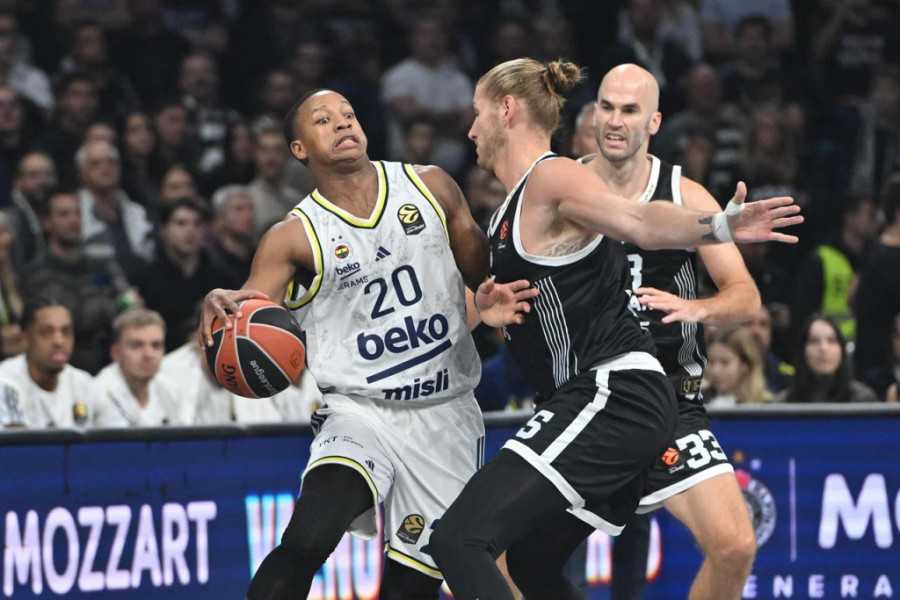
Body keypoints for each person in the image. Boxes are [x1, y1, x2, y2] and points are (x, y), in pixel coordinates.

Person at [427, 58, 801, 600]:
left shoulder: (555, 177)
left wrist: (718, 226)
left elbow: (641, 220)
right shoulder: (512, 209)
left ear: (506, 110)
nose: (470, 130)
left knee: (460, 540)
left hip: (618, 391)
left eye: (477, 113)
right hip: (590, 396)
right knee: (528, 567)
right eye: (606, 106)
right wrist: (488, 308)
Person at [197, 89, 537, 599]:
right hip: (360, 411)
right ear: (298, 149)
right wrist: (216, 306)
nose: (342, 124)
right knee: (309, 537)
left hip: (445, 414)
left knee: (409, 588)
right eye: (323, 120)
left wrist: (488, 299)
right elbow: (242, 325)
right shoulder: (292, 237)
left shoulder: (431, 186)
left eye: (349, 114)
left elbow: (486, 276)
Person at [579, 64, 762, 600]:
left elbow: (745, 296)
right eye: (606, 107)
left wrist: (697, 308)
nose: (614, 120)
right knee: (495, 549)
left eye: (629, 110)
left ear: (655, 122)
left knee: (734, 547)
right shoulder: (563, 184)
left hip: (669, 400)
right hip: (583, 400)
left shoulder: (687, 194)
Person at [0, 297, 93, 429]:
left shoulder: (83, 383)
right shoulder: (5, 382)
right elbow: (17, 440)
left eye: (66, 332)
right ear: (25, 340)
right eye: (47, 332)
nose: (59, 342)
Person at [92, 308, 182, 427]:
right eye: (137, 346)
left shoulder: (170, 391)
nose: (148, 354)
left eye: (156, 345)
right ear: (116, 353)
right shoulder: (98, 394)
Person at [778, 314, 878, 404]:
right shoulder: (783, 404)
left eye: (831, 340)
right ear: (803, 350)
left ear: (842, 349)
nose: (823, 348)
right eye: (814, 341)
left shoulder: (863, 400)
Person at [703, 326, 772, 408]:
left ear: (745, 365)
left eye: (725, 362)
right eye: (711, 362)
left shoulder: (766, 406)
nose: (715, 370)